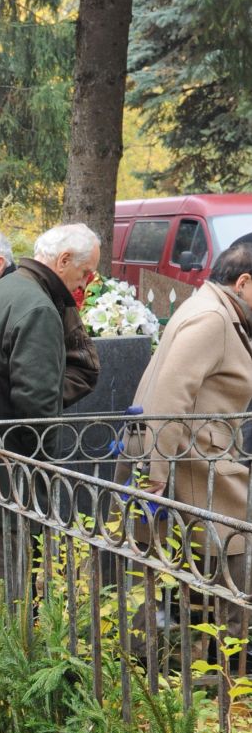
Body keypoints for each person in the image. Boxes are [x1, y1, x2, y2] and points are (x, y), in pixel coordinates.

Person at [133, 234, 252, 549]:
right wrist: (155, 471)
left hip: (193, 457)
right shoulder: (213, 317)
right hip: (194, 463)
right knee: (229, 566)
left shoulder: (213, 306)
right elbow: (171, 395)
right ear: (243, 282)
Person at [0, 223, 100, 432]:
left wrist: (49, 394)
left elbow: (78, 371)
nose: (83, 284)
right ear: (64, 260)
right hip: (2, 449)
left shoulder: (32, 299)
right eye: (84, 273)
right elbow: (35, 404)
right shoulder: (38, 307)